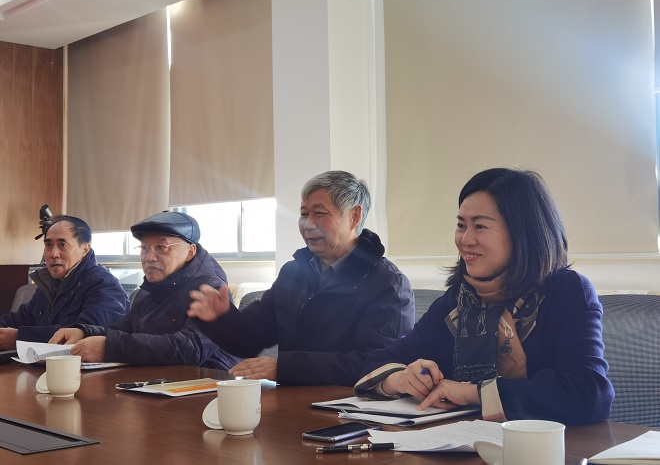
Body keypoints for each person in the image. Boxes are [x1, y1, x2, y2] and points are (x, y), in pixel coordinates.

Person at [354, 168, 614, 425]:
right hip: (467, 443)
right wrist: (401, 379)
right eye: (461, 225)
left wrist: (473, 393)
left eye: (480, 226)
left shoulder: (568, 291)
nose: (465, 240)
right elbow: (378, 362)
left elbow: (589, 395)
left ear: (522, 233)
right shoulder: (460, 300)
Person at [187, 170, 415, 386]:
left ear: (354, 216)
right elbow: (250, 339)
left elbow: (379, 364)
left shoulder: (387, 283)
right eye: (304, 214)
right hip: (290, 399)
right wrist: (221, 318)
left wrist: (287, 368)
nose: (308, 224)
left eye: (319, 214)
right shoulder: (293, 273)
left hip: (349, 406)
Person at [49, 211, 241, 370]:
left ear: (190, 252)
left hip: (207, 387)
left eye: (161, 247)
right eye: (144, 249)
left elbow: (190, 349)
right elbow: (120, 331)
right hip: (155, 385)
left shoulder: (210, 289)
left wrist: (110, 348)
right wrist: (84, 332)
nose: (149, 257)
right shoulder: (149, 290)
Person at [0, 215, 128, 350]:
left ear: (85, 249)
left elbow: (86, 334)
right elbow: (19, 319)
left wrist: (21, 337)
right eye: (48, 245)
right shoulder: (48, 284)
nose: (53, 254)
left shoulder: (104, 284)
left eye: (62, 245)